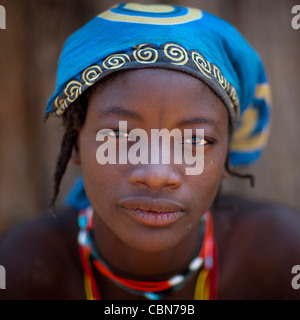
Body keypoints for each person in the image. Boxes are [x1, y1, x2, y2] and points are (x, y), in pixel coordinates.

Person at [1, 3, 300, 300]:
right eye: (118, 134)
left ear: (227, 155)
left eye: (195, 140)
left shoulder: (281, 259)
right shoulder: (20, 272)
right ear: (76, 142)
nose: (156, 174)